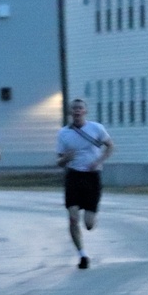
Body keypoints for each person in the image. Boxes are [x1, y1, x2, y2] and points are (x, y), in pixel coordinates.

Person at [56, 98, 114, 269]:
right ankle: (82, 255)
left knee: (88, 224)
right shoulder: (63, 133)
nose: (77, 111)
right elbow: (59, 161)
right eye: (74, 108)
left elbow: (110, 146)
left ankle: (91, 217)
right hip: (73, 176)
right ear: (70, 112)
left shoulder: (96, 128)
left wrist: (99, 161)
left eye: (80, 108)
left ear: (85, 111)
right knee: (73, 218)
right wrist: (66, 158)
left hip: (92, 176)